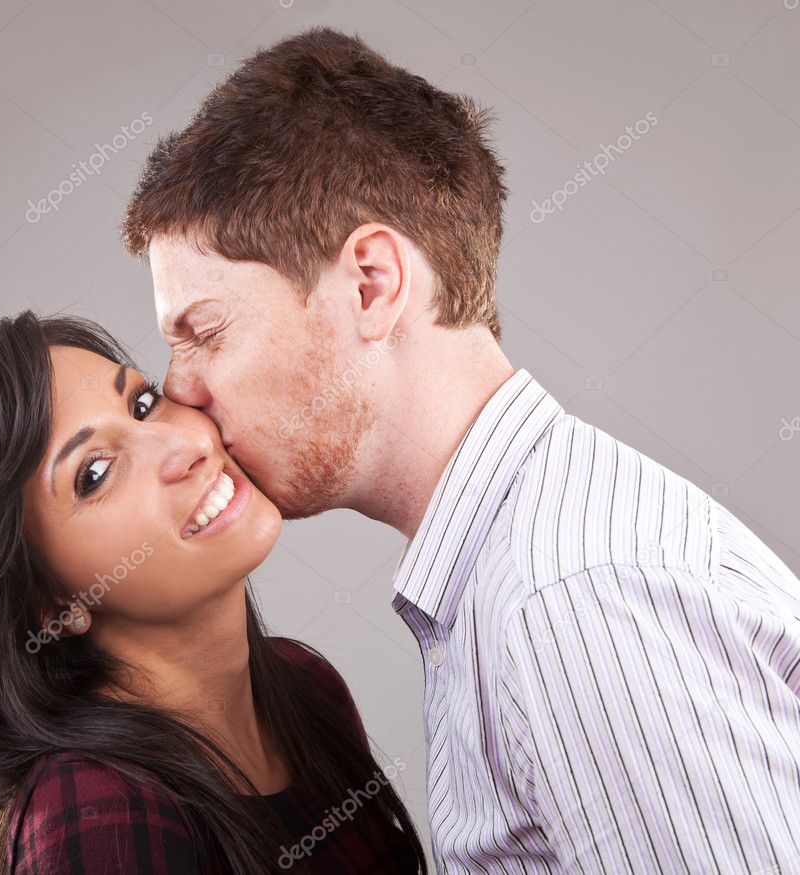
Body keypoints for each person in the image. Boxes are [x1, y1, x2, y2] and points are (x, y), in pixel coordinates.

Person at [123, 27, 800, 874]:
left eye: (205, 331)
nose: (180, 390)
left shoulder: (565, 604)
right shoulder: (527, 573)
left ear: (370, 284)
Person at [0, 311, 426, 874]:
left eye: (143, 404)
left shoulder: (307, 686)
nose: (186, 444)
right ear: (46, 604)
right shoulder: (96, 811)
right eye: (95, 473)